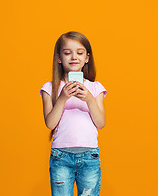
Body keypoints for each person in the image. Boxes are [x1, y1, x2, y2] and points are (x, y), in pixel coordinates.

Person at [40, 31, 107, 196]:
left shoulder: (95, 88)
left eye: (80, 52)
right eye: (67, 53)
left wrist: (90, 99)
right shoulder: (50, 88)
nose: (74, 57)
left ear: (87, 58)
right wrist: (62, 98)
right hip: (61, 156)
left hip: (89, 156)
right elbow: (50, 123)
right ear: (59, 58)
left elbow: (101, 123)